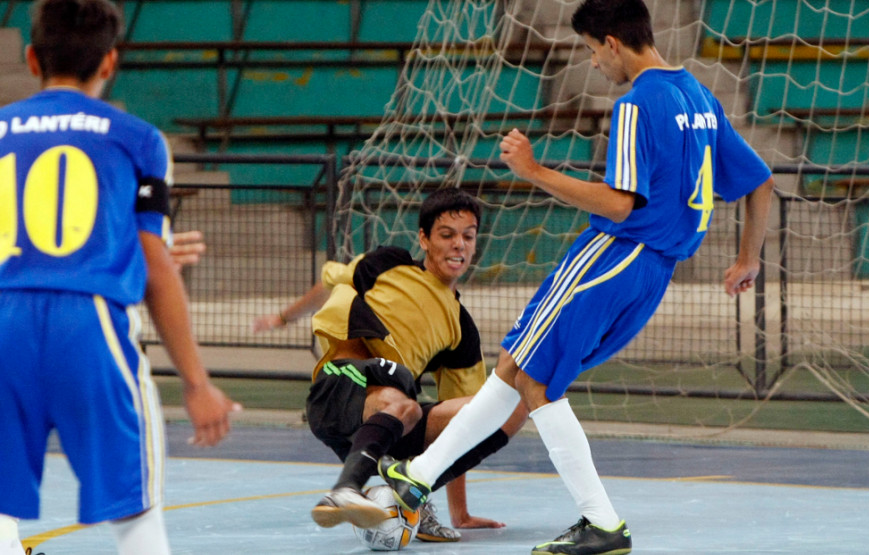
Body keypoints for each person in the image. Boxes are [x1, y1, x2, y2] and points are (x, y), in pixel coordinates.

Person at [378, 1, 776, 554]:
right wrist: (748, 258)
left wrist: (534, 171)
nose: (592, 64)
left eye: (591, 50)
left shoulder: (638, 104)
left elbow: (618, 204)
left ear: (612, 42)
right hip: (653, 270)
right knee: (515, 363)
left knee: (538, 383)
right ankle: (417, 478)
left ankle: (602, 522)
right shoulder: (700, 97)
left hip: (614, 256)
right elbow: (761, 180)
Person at [0, 2, 239, 554]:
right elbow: (154, 262)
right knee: (138, 520)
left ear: (33, 57)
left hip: (6, 323)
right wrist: (198, 385)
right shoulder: (137, 138)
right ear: (110, 62)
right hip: (88, 327)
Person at [253, 187, 527, 540]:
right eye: (447, 235)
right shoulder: (388, 264)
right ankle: (346, 488)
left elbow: (465, 428)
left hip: (391, 418)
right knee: (402, 400)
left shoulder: (461, 328)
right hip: (340, 391)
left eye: (468, 236)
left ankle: (413, 495)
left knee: (507, 405)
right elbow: (328, 283)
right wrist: (281, 317)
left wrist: (461, 512)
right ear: (424, 239)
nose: (459, 244)